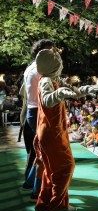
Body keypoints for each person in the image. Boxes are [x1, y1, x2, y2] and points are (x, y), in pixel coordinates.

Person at [34, 49, 98, 211]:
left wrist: (88, 89)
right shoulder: (46, 82)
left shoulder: (53, 79)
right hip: (52, 132)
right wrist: (59, 93)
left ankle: (44, 203)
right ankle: (58, 205)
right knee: (65, 167)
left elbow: (74, 91)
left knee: (51, 170)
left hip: (54, 130)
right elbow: (47, 100)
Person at [20, 39, 55, 199]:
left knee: (38, 151)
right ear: (41, 52)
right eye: (49, 50)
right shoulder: (39, 71)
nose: (53, 53)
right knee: (44, 152)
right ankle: (37, 190)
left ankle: (29, 182)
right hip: (38, 112)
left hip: (33, 112)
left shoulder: (30, 68)